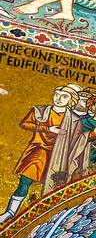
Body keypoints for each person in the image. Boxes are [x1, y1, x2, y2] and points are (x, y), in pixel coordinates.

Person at [0, 83, 80, 224]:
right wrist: (48, 128)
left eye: (64, 96)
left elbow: (78, 139)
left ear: (71, 100)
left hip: (59, 157)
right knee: (25, 181)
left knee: (50, 189)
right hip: (39, 151)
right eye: (57, 95)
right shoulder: (40, 111)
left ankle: (39, 221)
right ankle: (10, 212)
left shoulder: (74, 120)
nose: (59, 99)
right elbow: (25, 124)